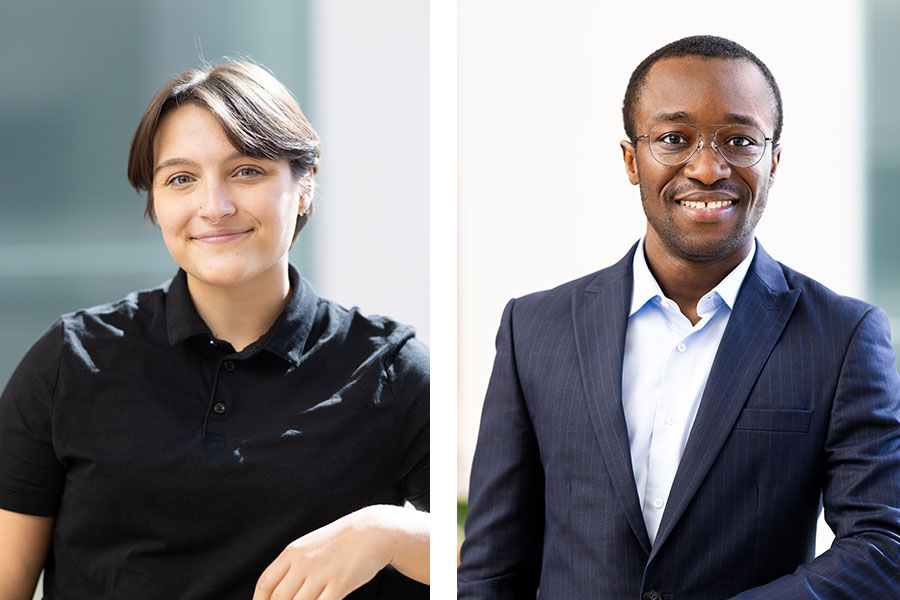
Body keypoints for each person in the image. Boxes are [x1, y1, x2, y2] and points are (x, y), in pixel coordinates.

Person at [457, 35, 900, 598]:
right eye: (673, 139)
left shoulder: (844, 336)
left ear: (774, 161)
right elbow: (493, 569)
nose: (709, 168)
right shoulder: (534, 328)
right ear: (630, 160)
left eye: (740, 140)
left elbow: (883, 544)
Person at [0, 61, 429, 600]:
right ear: (155, 203)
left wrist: (387, 533)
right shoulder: (71, 361)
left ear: (303, 186)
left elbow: (497, 558)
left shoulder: (390, 369)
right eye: (180, 179)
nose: (214, 207)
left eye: (246, 170)